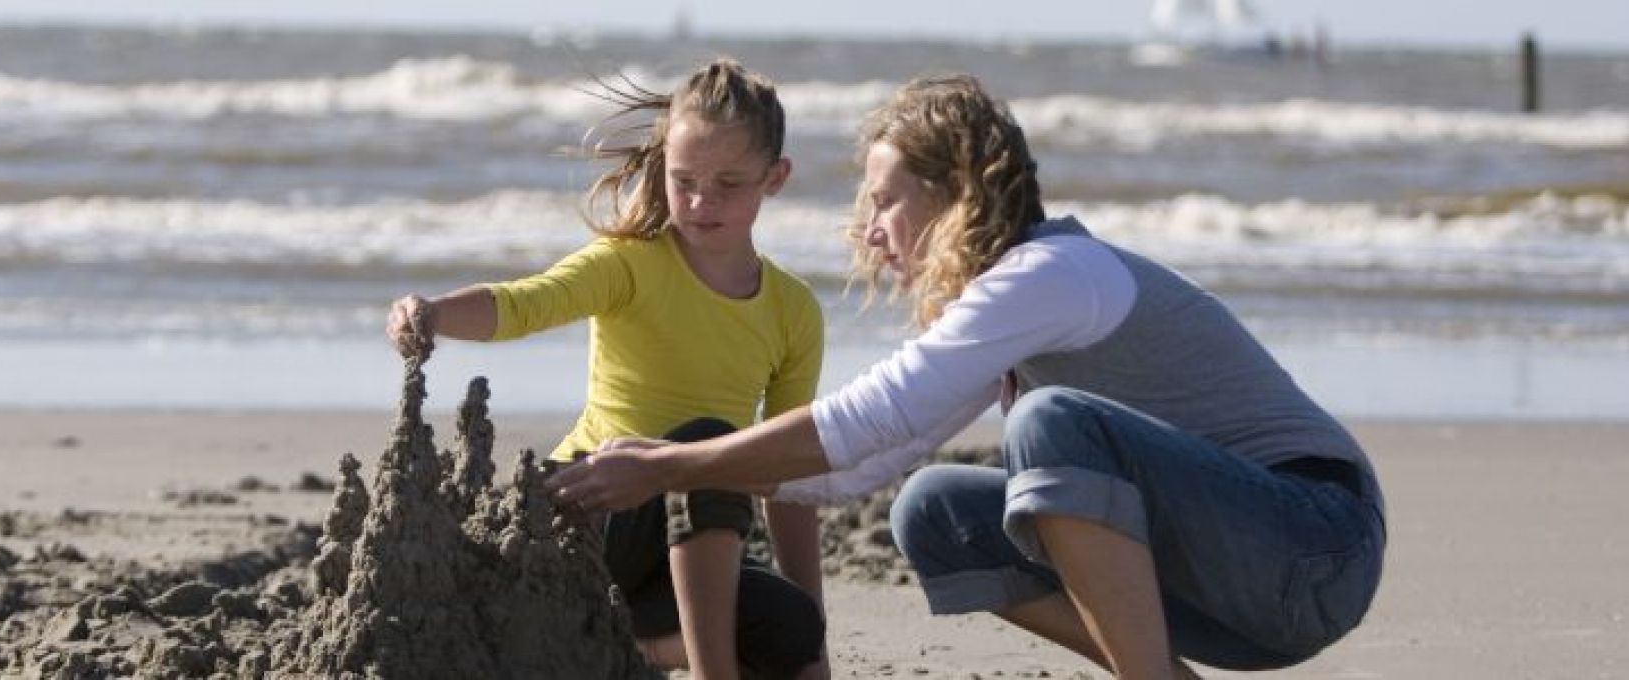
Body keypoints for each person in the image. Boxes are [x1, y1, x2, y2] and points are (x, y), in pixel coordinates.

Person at [547, 74, 1386, 680]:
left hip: (1311, 548)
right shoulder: (1016, 307)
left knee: (1051, 425)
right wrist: (697, 482)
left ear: (958, 194)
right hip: (1227, 585)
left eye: (884, 201)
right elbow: (861, 466)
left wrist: (668, 465)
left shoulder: (1052, 273)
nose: (867, 230)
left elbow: (872, 416)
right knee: (933, 508)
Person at [385, 58, 828, 680]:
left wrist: (818, 645)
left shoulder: (794, 309)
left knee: (790, 624)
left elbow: (788, 468)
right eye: (684, 180)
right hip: (587, 515)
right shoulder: (629, 263)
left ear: (774, 177)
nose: (702, 201)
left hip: (676, 546)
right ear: (662, 167)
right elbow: (520, 304)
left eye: (729, 183)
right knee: (709, 446)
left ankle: (623, 651)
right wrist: (432, 313)